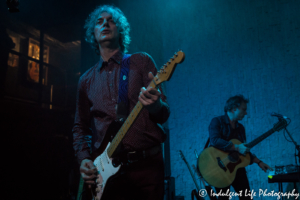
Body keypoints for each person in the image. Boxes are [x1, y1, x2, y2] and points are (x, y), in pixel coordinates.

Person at [72, 5, 170, 200]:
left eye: (111, 20)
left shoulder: (140, 61)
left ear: (120, 30)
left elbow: (164, 113)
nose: (105, 23)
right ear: (93, 32)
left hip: (146, 168)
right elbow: (80, 127)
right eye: (99, 22)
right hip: (106, 174)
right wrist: (83, 159)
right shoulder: (86, 80)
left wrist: (155, 106)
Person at [208, 95, 273, 200]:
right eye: (244, 109)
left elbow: (244, 151)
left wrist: (259, 162)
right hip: (220, 169)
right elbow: (215, 141)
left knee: (247, 198)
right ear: (234, 108)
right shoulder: (217, 121)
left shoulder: (241, 128)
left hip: (237, 169)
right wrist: (237, 147)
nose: (246, 113)